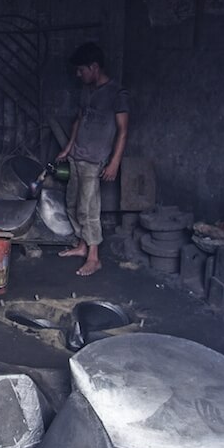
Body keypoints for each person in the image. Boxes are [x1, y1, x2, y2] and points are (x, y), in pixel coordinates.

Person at [55, 41, 130, 276]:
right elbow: (79, 120)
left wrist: (115, 161)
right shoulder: (86, 91)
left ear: (94, 66)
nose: (78, 74)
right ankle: (81, 246)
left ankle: (94, 257)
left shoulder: (117, 94)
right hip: (77, 156)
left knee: (89, 208)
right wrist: (68, 148)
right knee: (72, 204)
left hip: (95, 160)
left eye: (81, 69)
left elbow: (123, 130)